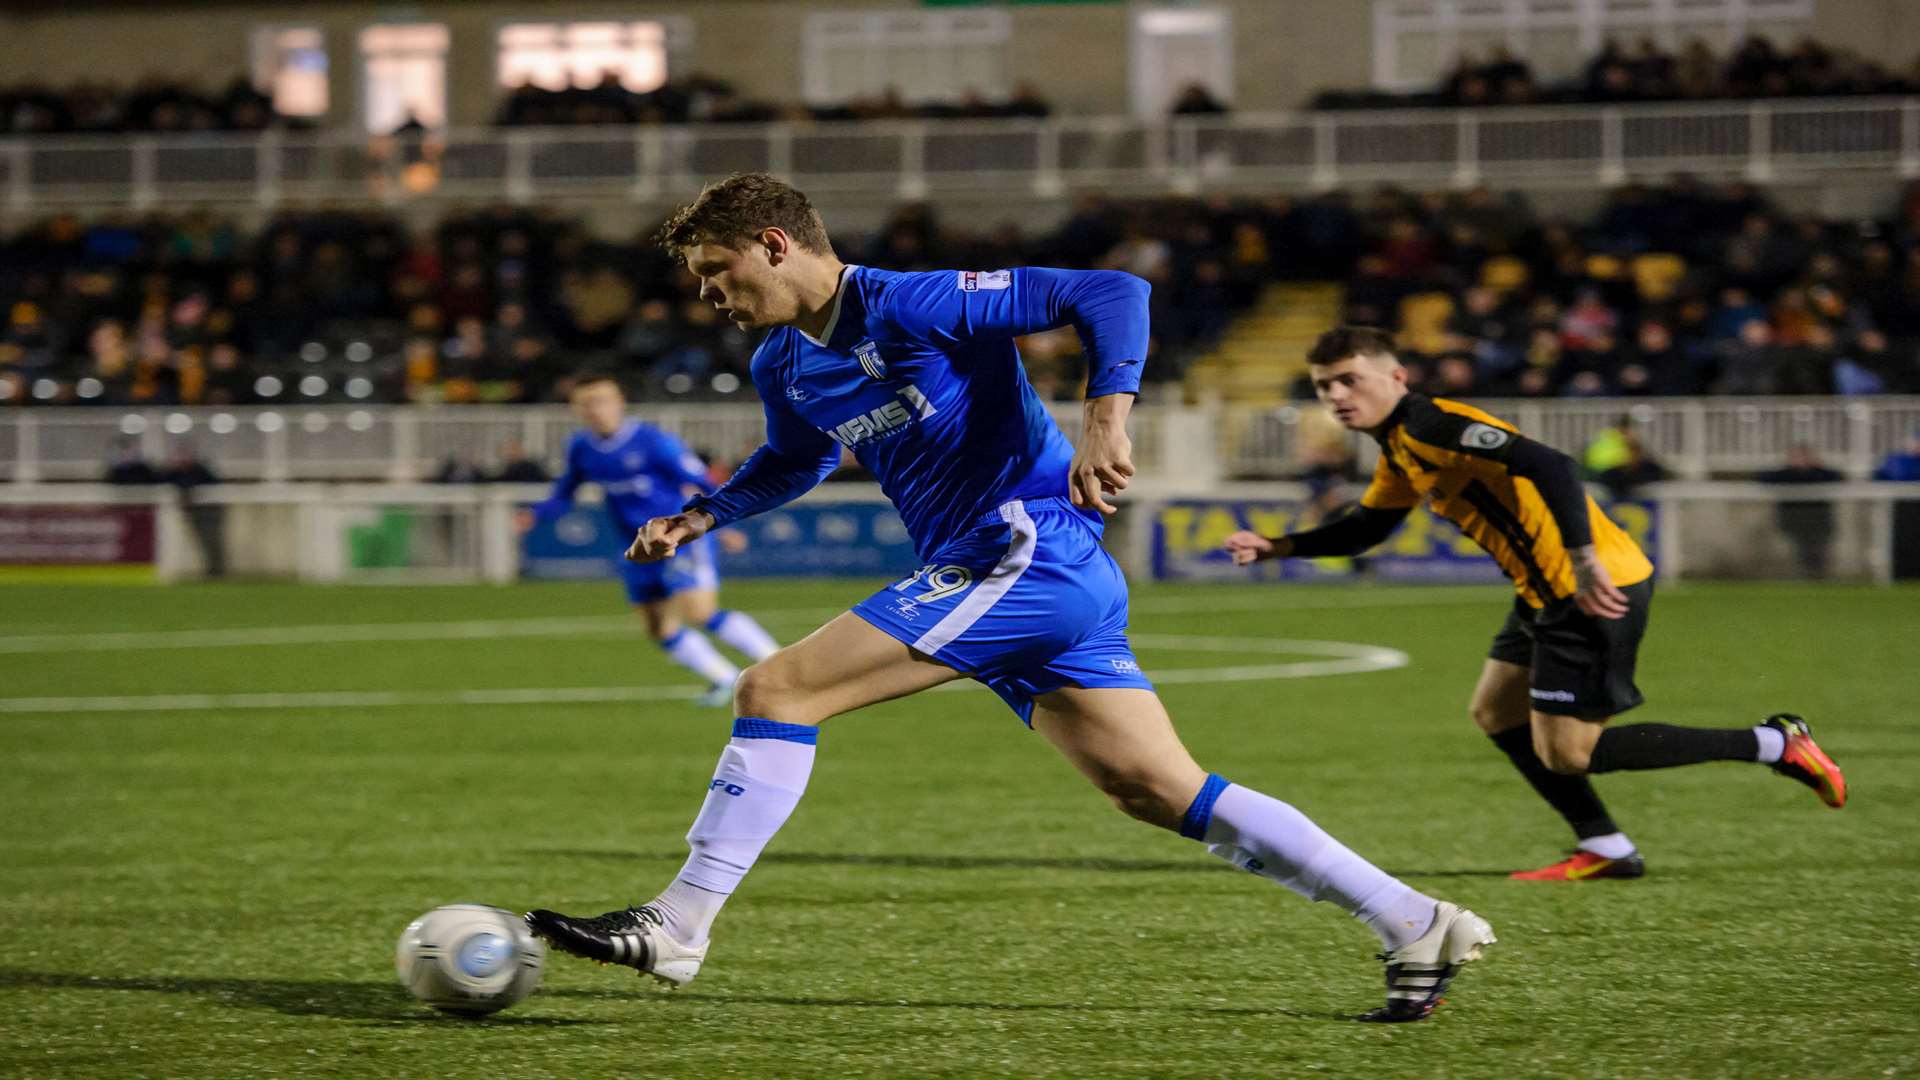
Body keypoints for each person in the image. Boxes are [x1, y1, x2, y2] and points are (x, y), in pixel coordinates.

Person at [525, 174, 1496, 1024]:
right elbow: (795, 457)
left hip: (1023, 550)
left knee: (776, 689)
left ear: (775, 246)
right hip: (1017, 576)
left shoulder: (912, 303)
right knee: (1158, 791)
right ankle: (1417, 921)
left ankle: (679, 922)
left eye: (714, 268)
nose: (706, 293)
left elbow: (1111, 290)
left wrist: (1104, 421)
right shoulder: (784, 361)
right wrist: (704, 514)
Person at [1224, 326, 1846, 883]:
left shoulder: (1431, 425)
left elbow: (1551, 464)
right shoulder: (1401, 448)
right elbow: (1367, 526)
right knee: (1496, 711)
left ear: (1396, 377)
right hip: (1542, 593)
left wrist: (1581, 558)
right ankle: (1605, 846)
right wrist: (1278, 545)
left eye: (1349, 380)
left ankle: (1773, 743)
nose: (1335, 396)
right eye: (1325, 385)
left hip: (1588, 590)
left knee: (1570, 753)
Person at [519, 372, 779, 707]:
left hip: (679, 539)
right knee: (658, 627)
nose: (596, 409)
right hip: (636, 548)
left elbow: (702, 480)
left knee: (700, 611)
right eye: (587, 403)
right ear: (577, 409)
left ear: (620, 402)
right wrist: (535, 514)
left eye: (602, 400)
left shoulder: (654, 442)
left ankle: (779, 662)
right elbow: (564, 493)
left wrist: (723, 524)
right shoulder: (582, 448)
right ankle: (725, 679)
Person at [1758, 445, 1845, 579]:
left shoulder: (1820, 473)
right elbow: (1762, 478)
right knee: (1800, 551)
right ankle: (1801, 576)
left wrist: (1815, 468)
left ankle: (1818, 577)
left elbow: (1837, 478)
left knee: (1817, 551)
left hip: (1818, 522)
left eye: (1804, 457)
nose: (1801, 461)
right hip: (1793, 521)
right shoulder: (1785, 474)